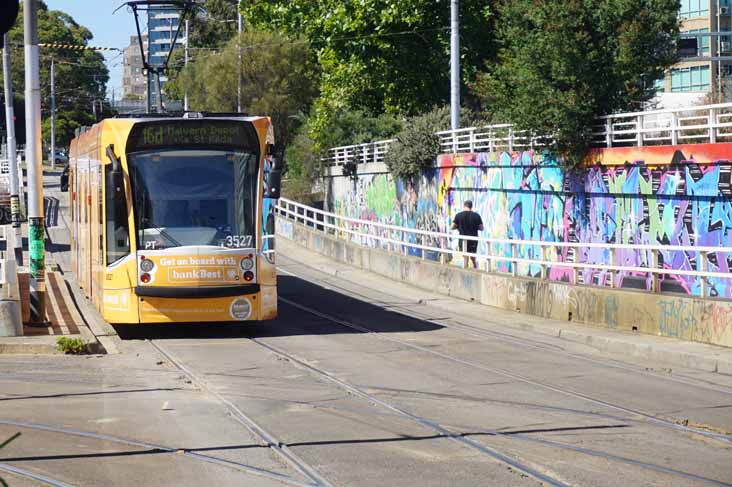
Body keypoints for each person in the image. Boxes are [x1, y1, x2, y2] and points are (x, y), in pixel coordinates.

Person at [451, 200, 484, 268]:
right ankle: (475, 266)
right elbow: (481, 228)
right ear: (471, 206)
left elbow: (452, 227)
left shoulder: (458, 215)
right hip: (473, 239)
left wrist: (458, 226)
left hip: (463, 239)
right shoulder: (476, 216)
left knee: (464, 255)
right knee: (472, 255)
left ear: (464, 206)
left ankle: (466, 268)